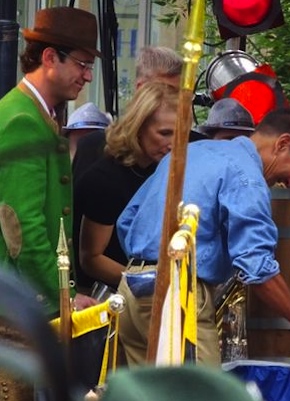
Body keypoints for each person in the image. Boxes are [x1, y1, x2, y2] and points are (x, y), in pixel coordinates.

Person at [116, 107, 290, 367]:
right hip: (177, 298)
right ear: (283, 144)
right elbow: (257, 268)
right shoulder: (247, 178)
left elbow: (127, 221)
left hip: (131, 291)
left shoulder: (191, 152)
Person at [0, 7, 100, 400]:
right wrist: (63, 291)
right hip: (14, 308)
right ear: (48, 57)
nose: (87, 75)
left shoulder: (37, 114)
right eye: (82, 63)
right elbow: (19, 227)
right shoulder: (22, 118)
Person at [72, 46, 184, 291]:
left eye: (179, 135)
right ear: (139, 127)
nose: (172, 144)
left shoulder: (168, 166)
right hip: (111, 299)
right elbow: (91, 259)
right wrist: (151, 284)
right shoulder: (105, 178)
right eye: (164, 133)